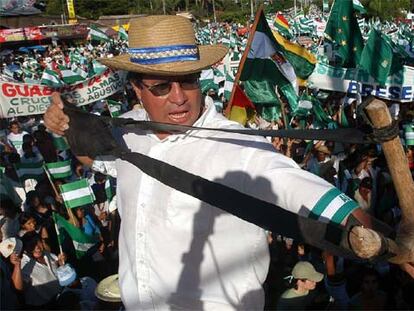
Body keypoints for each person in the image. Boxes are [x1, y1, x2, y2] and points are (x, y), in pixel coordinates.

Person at [44, 15, 413, 310]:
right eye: (161, 86)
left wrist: (397, 245)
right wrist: (65, 127)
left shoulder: (235, 147)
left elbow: (311, 194)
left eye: (188, 81)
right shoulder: (129, 133)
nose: (178, 97)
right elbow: (98, 158)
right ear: (136, 88)